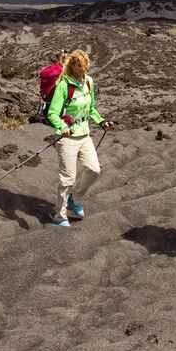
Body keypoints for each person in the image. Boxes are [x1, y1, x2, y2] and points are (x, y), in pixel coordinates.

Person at [46, 49, 113, 227]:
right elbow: (52, 113)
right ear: (72, 65)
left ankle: (74, 198)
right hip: (67, 137)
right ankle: (59, 216)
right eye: (78, 66)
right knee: (68, 178)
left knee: (94, 169)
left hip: (84, 134)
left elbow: (91, 109)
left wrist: (101, 121)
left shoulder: (89, 82)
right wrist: (62, 127)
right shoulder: (63, 85)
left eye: (84, 66)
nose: (82, 70)